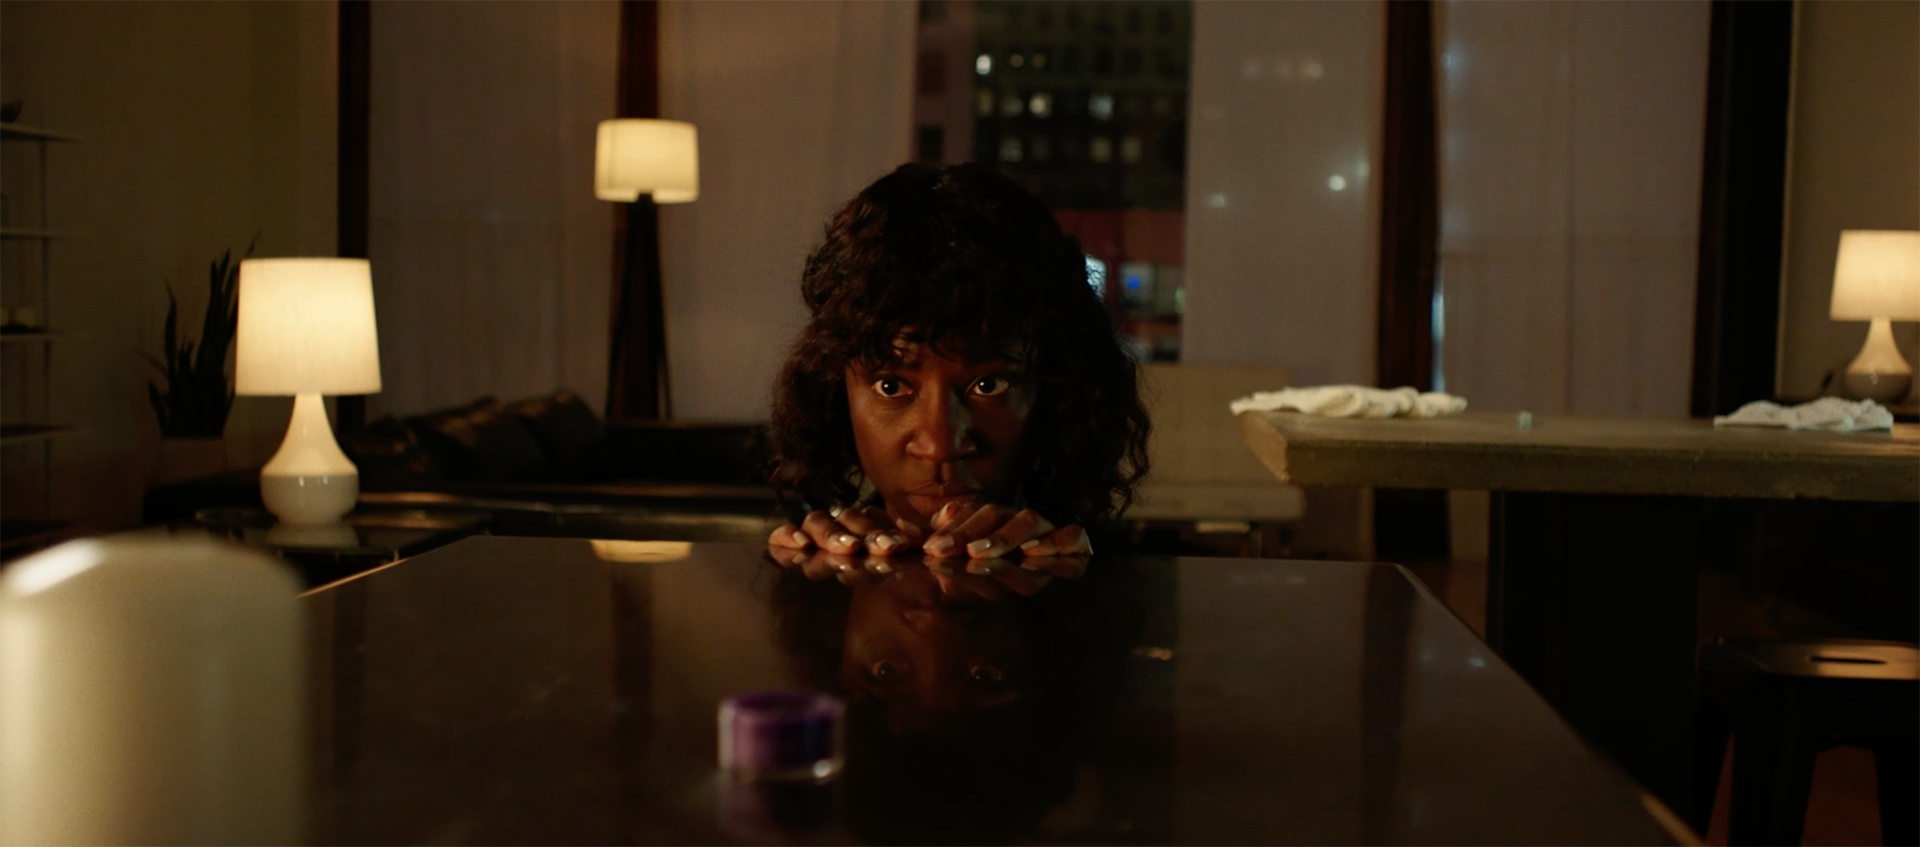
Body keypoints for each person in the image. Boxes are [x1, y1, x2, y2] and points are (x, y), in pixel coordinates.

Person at [765, 162, 1151, 563]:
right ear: (834, 394)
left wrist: (1071, 594)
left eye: (988, 385)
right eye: (891, 386)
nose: (941, 445)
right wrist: (811, 588)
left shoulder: (1106, 578)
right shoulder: (819, 570)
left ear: (1057, 389)